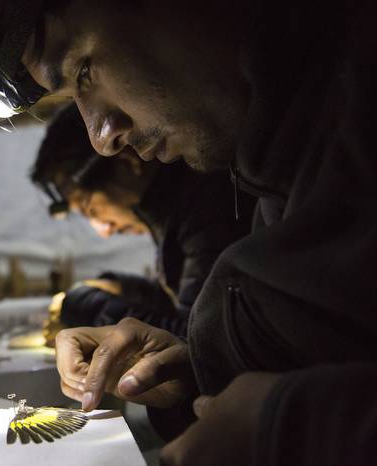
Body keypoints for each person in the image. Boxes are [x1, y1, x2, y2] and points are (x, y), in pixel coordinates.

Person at [0, 1, 377, 465]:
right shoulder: (282, 173)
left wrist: (292, 425)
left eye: (84, 72)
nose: (101, 138)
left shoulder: (368, 103)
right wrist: (194, 372)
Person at [33, 104, 253, 342]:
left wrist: (87, 306)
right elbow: (185, 299)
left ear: (127, 163)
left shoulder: (208, 202)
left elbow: (199, 341)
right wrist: (120, 288)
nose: (104, 231)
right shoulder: (171, 207)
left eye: (90, 208)